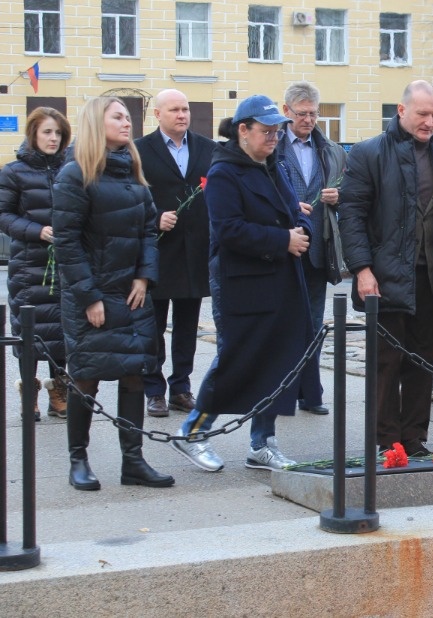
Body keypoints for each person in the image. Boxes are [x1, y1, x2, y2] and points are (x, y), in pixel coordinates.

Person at [169, 94, 316, 472]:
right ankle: (193, 432)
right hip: (243, 284)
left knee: (277, 362)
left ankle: (262, 443)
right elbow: (229, 230)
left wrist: (303, 231)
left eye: (276, 132)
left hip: (280, 280)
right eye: (266, 132)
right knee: (236, 360)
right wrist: (283, 240)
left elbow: (296, 212)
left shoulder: (271, 166)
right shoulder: (224, 172)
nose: (273, 138)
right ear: (243, 131)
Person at [339, 80, 433, 456]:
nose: (429, 122)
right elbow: (351, 216)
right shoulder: (369, 153)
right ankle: (386, 441)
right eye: (422, 114)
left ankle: (414, 438)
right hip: (384, 278)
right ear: (401, 111)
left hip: (432, 277)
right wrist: (362, 269)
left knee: (423, 363)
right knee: (386, 363)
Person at [53, 96, 174, 490]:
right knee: (86, 376)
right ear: (96, 123)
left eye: (128, 117)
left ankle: (133, 463)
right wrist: (89, 297)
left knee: (134, 375)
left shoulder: (133, 175)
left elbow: (148, 233)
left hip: (131, 294)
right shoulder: (75, 175)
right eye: (118, 117)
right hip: (92, 296)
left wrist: (144, 278)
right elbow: (67, 243)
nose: (127, 123)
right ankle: (78, 461)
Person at [135, 89, 215, 419]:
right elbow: (131, 198)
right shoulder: (139, 151)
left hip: (194, 252)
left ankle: (181, 387)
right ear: (157, 114)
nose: (182, 115)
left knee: (187, 327)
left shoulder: (208, 148)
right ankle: (154, 391)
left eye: (185, 109)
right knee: (152, 327)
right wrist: (154, 219)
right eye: (174, 110)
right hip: (158, 253)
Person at [275, 81, 348, 416]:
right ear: (286, 110)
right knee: (284, 322)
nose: (308, 120)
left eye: (313, 114)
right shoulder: (272, 144)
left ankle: (311, 391)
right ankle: (282, 390)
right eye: (301, 113)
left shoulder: (331, 149)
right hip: (281, 249)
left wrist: (339, 197)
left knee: (314, 324)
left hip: (319, 248)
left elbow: (350, 190)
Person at [0, 107, 71, 421]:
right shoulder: (13, 172)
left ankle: (59, 389)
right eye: (47, 132)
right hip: (29, 264)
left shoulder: (71, 168)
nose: (53, 138)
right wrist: (36, 231)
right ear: (33, 134)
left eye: (57, 132)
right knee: (29, 329)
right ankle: (29, 394)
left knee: (62, 328)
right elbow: (3, 215)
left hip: (66, 263)